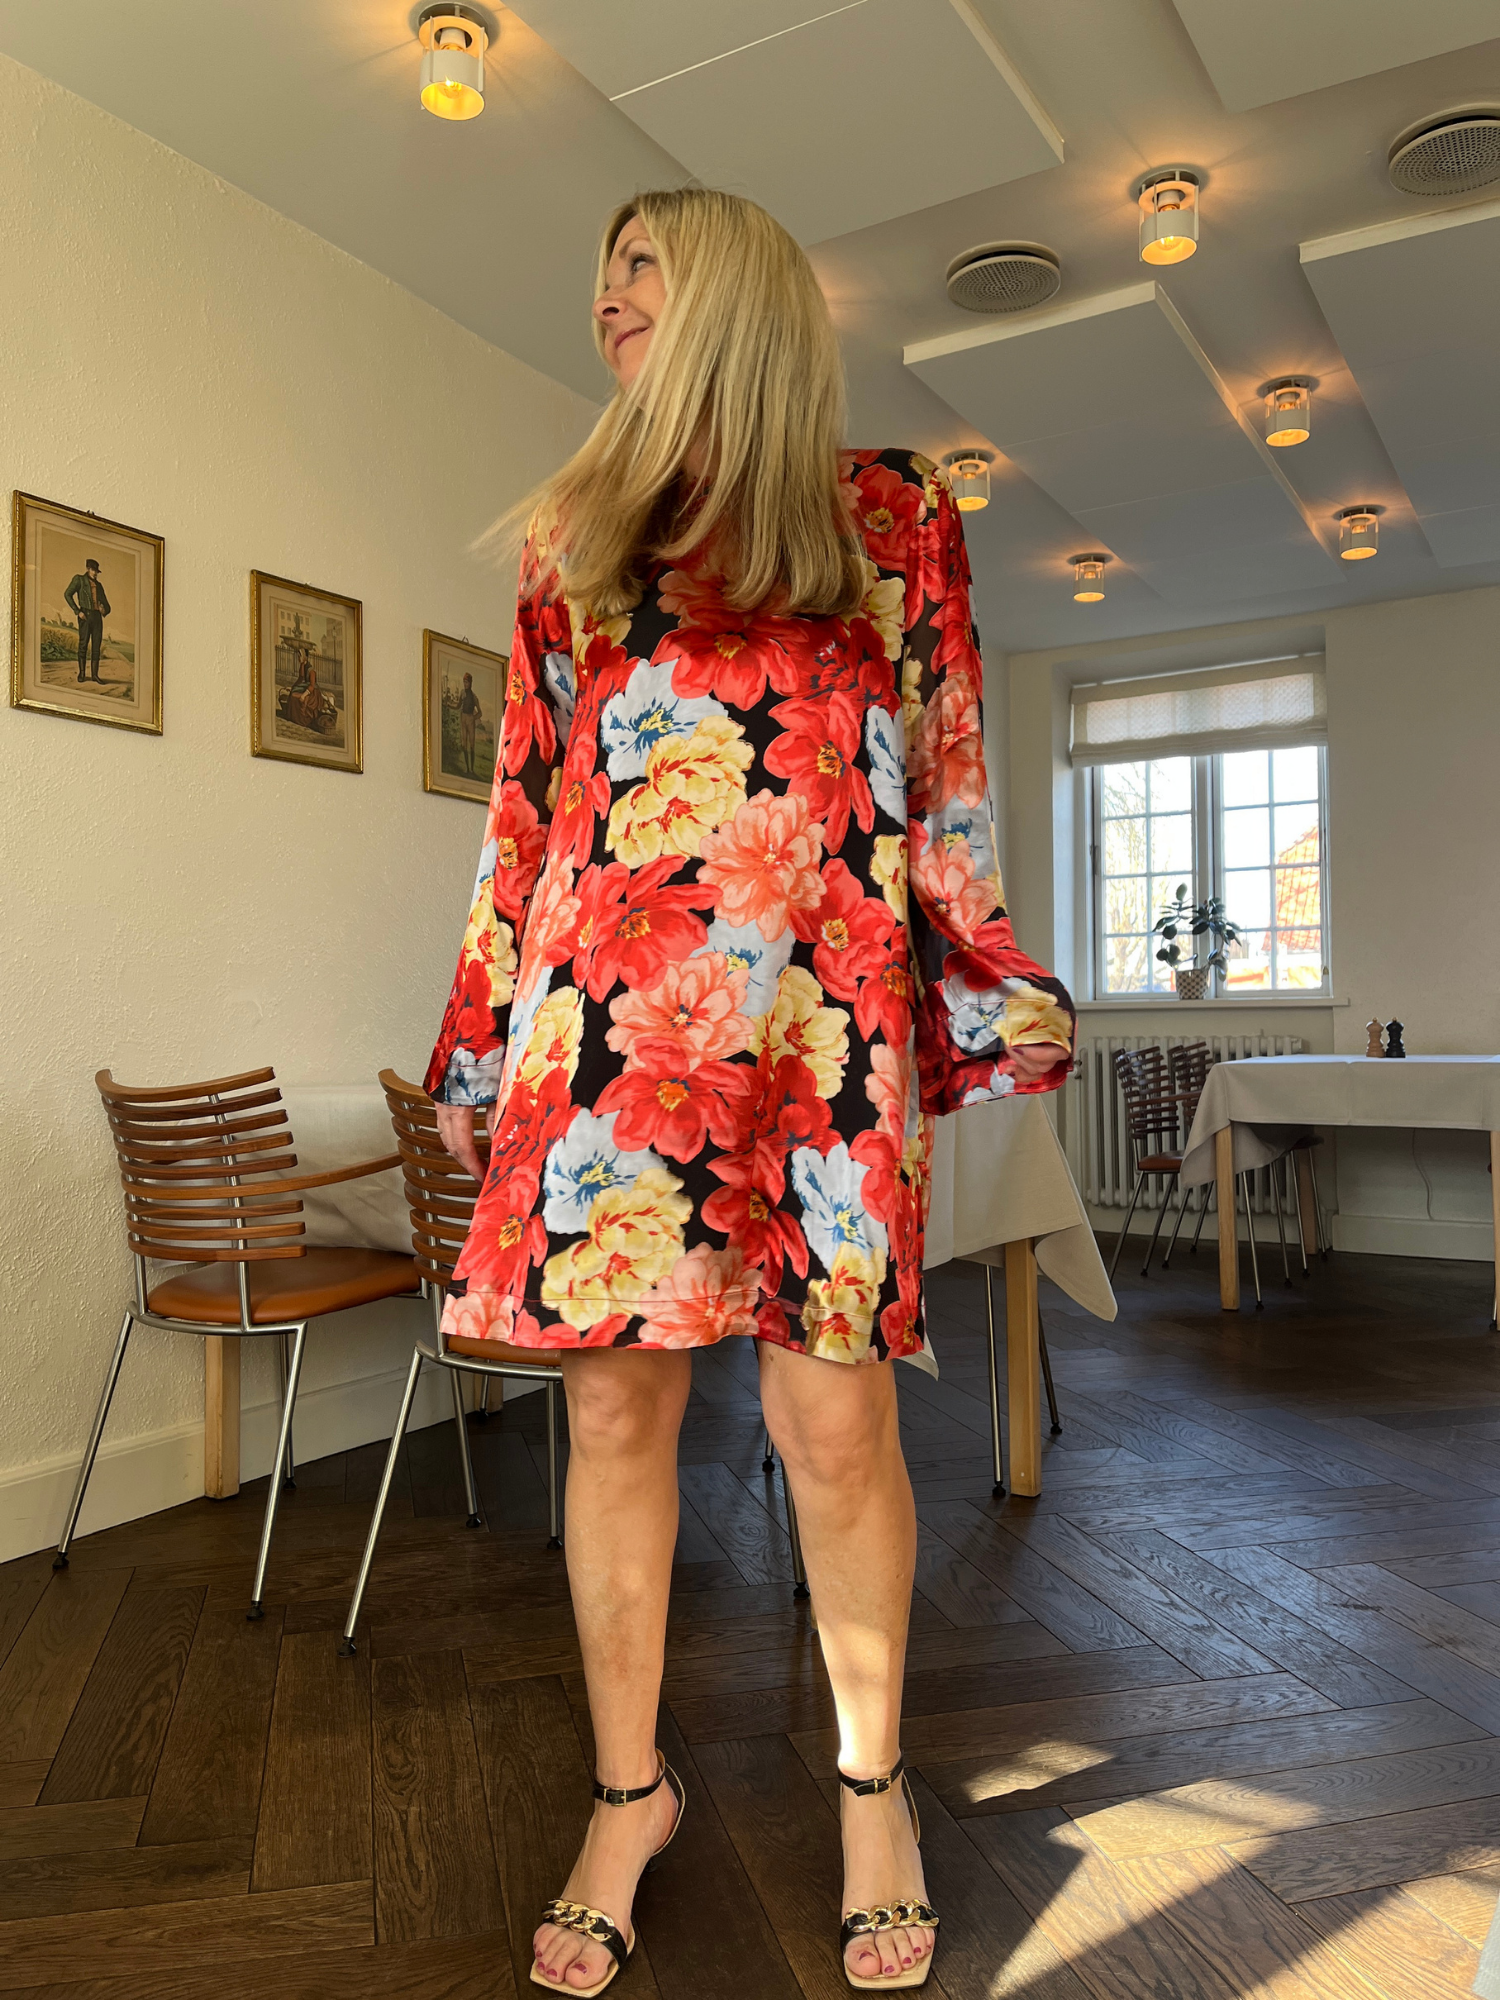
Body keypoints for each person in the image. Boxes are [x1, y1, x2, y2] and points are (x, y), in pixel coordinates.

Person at [429, 188, 1074, 1994]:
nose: (608, 295)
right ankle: (627, 1797)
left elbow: (944, 777)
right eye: (601, 268)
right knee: (615, 1418)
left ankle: (875, 1791)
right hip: (605, 1030)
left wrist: (987, 989)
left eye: (643, 262)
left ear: (738, 292)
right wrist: (477, 1040)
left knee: (836, 1423)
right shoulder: (572, 536)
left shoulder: (894, 515)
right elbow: (525, 812)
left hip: (822, 1030)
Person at [64, 557, 110, 683]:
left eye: (96, 571)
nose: (95, 573)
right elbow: (67, 594)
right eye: (93, 570)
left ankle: (95, 675)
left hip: (97, 618)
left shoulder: (99, 586)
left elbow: (107, 606)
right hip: (85, 616)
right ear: (88, 569)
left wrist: (103, 609)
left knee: (96, 646)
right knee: (83, 645)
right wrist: (77, 611)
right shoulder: (79, 580)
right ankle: (82, 674)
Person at [457, 669, 482, 775]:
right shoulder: (462, 693)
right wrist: (448, 705)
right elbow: (458, 706)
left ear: (470, 683)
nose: (465, 684)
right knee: (464, 744)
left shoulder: (474, 697)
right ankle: (467, 768)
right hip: (463, 719)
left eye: (467, 682)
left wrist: (473, 718)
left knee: (472, 745)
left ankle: (472, 769)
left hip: (470, 720)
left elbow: (480, 713)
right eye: (464, 682)